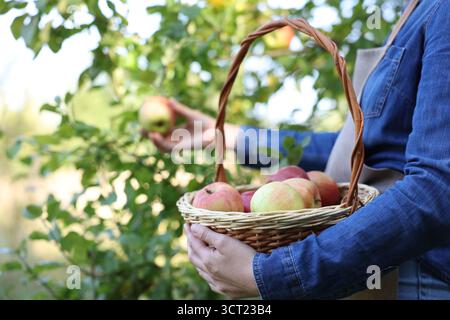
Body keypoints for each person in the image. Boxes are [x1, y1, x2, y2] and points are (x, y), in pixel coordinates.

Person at [146, 0, 450, 299]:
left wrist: (273, 273)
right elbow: (359, 150)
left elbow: (437, 189)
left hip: (423, 280)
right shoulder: (416, 9)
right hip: (388, 277)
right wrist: (224, 137)